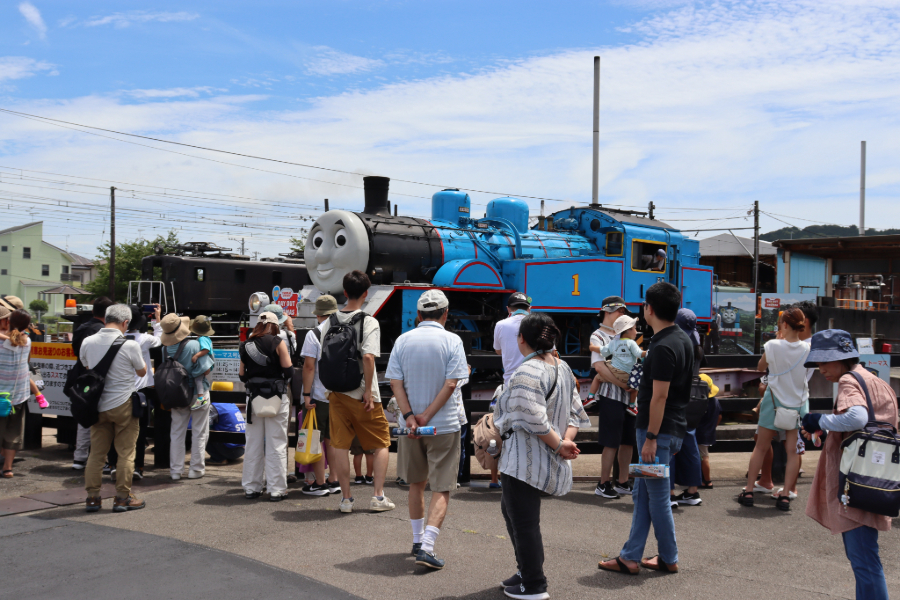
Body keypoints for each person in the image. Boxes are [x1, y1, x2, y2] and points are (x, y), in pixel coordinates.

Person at [494, 312, 590, 600]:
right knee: (514, 515)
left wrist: (560, 444)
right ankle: (526, 571)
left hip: (523, 460)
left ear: (521, 339)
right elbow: (576, 413)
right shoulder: (563, 368)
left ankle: (534, 584)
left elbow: (533, 419)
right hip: (549, 457)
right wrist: (564, 442)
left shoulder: (526, 372)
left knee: (523, 523)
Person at [600, 282, 693, 575]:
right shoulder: (682, 339)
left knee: (658, 496)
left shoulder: (663, 346)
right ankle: (630, 556)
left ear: (649, 309)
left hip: (657, 433)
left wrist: (651, 438)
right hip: (670, 429)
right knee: (642, 492)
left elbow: (659, 395)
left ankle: (669, 556)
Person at [801, 329, 897, 600]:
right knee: (866, 560)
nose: (820, 369)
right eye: (817, 363)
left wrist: (819, 421)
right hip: (878, 476)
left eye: (824, 361)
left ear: (842, 359)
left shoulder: (848, 380)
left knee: (864, 562)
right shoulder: (874, 380)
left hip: (857, 480)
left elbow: (856, 418)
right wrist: (829, 429)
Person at [388, 289, 469, 570]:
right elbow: (451, 384)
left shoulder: (403, 340)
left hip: (408, 427)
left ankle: (416, 539)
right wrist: (427, 416)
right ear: (446, 314)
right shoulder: (452, 340)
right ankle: (428, 547)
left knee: (416, 484)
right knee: (442, 487)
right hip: (444, 426)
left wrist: (410, 416)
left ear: (419, 315)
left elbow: (395, 383)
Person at [325, 271, 394, 514]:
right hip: (363, 394)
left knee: (340, 446)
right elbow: (367, 356)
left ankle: (345, 500)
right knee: (382, 442)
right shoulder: (368, 321)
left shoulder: (328, 321)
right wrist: (367, 392)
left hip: (336, 393)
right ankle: (377, 496)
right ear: (366, 293)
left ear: (344, 292)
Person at [738, 307, 809, 511]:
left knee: (760, 447)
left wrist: (777, 342)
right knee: (792, 452)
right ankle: (785, 495)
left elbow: (761, 368)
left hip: (773, 402)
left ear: (784, 325)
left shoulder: (772, 345)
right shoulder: (807, 349)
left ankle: (750, 490)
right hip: (797, 404)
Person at [80, 304, 147, 513]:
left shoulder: (88, 342)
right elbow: (142, 372)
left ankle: (92, 498)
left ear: (105, 318)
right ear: (125, 323)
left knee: (96, 455)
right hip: (123, 404)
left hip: (97, 405)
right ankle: (122, 498)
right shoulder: (130, 345)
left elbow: (86, 367)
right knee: (126, 454)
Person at [239, 311, 294, 500]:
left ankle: (251, 488)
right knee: (276, 443)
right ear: (275, 325)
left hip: (254, 398)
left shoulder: (245, 345)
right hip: (276, 397)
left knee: (253, 442)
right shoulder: (278, 343)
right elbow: (289, 371)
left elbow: (242, 375)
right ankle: (276, 490)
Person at [106, 304, 162, 481]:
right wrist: (157, 319)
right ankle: (137, 467)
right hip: (140, 393)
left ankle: (113, 464)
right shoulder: (144, 339)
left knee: (115, 431)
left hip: (116, 390)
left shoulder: (115, 338)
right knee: (139, 433)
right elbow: (160, 339)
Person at [587, 297, 635, 500]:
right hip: (611, 394)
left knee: (628, 441)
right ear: (607, 311)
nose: (623, 314)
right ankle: (603, 482)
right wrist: (624, 384)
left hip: (628, 396)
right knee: (611, 441)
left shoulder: (626, 334)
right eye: (620, 311)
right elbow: (599, 367)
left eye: (624, 311)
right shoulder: (597, 336)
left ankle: (623, 481)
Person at [159, 313, 214, 481]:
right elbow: (205, 370)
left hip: (176, 394)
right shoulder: (194, 345)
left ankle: (175, 470)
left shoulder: (165, 349)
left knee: (176, 432)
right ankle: (196, 469)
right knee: (199, 431)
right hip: (197, 393)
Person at [299, 295, 341, 496]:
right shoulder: (345, 330)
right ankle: (334, 479)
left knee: (315, 438)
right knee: (332, 440)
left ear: (317, 314)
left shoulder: (314, 334)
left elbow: (309, 367)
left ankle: (320, 482)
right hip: (339, 395)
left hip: (319, 395)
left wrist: (307, 395)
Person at [491, 292, 531, 488]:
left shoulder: (501, 325)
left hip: (510, 384)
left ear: (509, 309)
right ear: (528, 308)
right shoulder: (537, 322)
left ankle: (509, 474)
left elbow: (498, 350)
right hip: (534, 383)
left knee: (508, 429)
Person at [70, 296, 114, 470]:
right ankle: (100, 461)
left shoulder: (81, 327)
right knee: (100, 422)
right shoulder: (101, 331)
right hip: (97, 379)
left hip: (81, 377)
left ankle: (79, 459)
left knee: (83, 418)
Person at [669, 308, 705, 507]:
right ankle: (692, 491)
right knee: (690, 444)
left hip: (677, 399)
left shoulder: (678, 343)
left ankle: (670, 492)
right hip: (694, 399)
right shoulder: (696, 343)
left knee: (670, 444)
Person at [0, 309, 33, 478]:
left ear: (8, 322)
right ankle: (7, 468)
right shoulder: (27, 341)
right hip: (17, 394)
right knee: (13, 432)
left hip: (0, 394)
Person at [598, 314, 645, 405]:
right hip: (628, 375)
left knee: (597, 378)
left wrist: (594, 347)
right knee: (635, 388)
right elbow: (639, 354)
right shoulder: (631, 343)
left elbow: (604, 352)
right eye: (635, 329)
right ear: (627, 331)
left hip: (614, 373)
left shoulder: (613, 342)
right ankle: (632, 406)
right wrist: (648, 352)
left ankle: (590, 396)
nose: (636, 331)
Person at [694, 373, 721, 489]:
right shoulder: (715, 401)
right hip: (709, 432)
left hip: (700, 433)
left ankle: (707, 480)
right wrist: (713, 426)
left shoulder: (699, 402)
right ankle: (704, 478)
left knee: (703, 457)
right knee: (703, 455)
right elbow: (720, 416)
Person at [189, 315, 215, 407]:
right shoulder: (206, 338)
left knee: (198, 379)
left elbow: (206, 350)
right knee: (200, 379)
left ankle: (200, 398)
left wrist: (196, 355)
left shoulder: (202, 338)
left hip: (205, 364)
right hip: (207, 363)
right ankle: (201, 397)